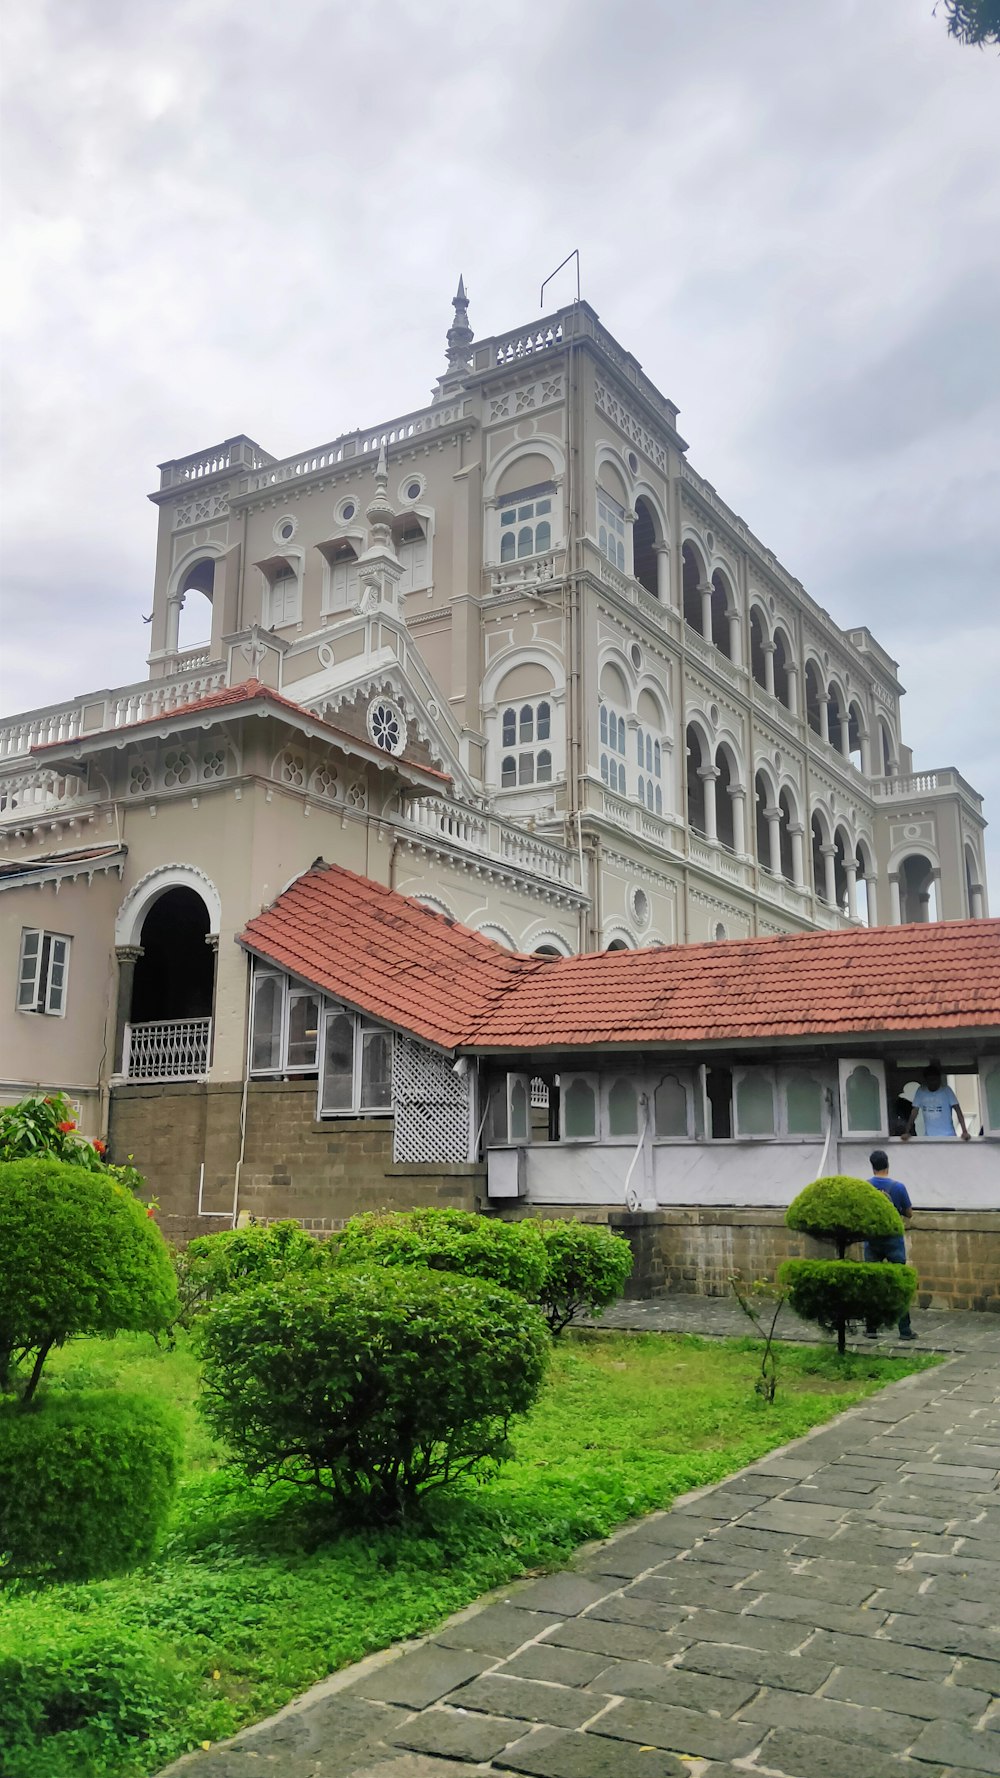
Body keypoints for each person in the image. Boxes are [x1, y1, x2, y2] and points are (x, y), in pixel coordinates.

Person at [864, 1148, 916, 1341]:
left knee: (872, 1284)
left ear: (872, 1166)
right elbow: (909, 1213)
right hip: (893, 1240)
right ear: (888, 1164)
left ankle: (871, 1328)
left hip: (872, 1240)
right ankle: (905, 1330)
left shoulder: (865, 1188)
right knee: (899, 1285)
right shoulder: (898, 1187)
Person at [903, 1062, 971, 1141]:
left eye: (935, 1079)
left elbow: (958, 1111)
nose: (933, 1082)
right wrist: (907, 1132)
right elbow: (914, 1113)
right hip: (929, 1137)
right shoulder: (921, 1091)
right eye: (930, 1080)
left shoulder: (946, 1091)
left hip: (948, 1136)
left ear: (939, 1079)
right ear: (926, 1080)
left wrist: (964, 1131)